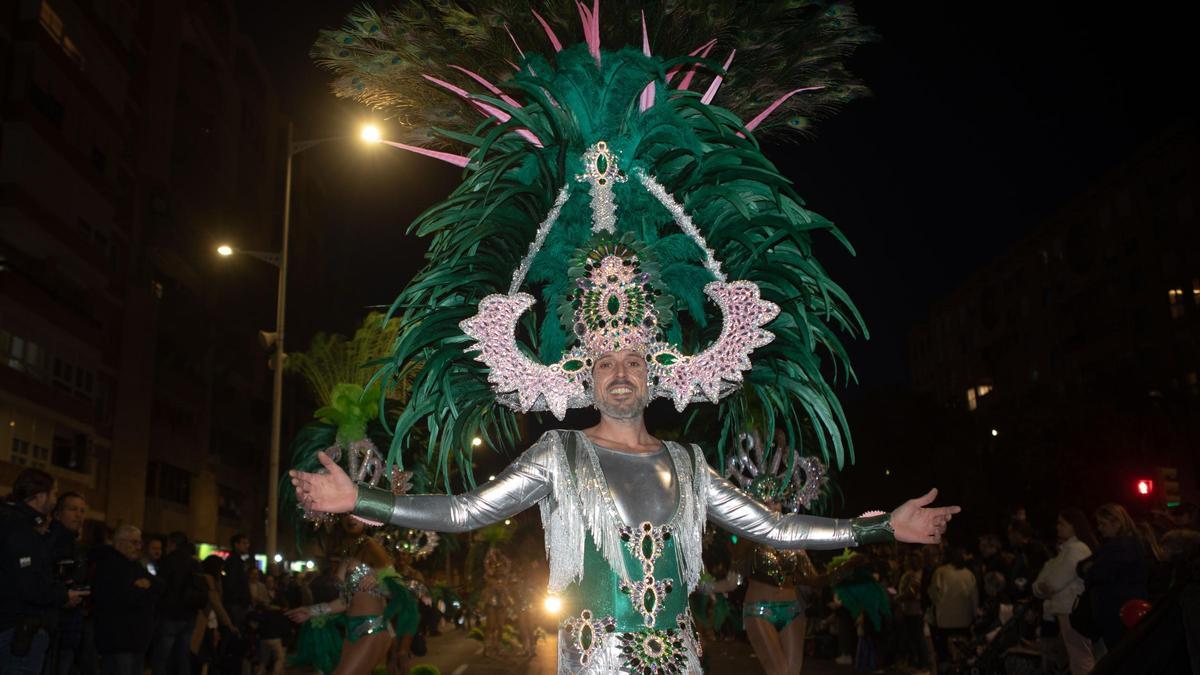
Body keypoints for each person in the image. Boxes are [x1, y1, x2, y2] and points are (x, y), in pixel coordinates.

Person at [294, 5, 960, 673]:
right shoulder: (559, 453)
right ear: (584, 371)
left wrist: (883, 526)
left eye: (633, 358)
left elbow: (777, 527)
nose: (619, 370)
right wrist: (365, 500)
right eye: (605, 358)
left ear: (658, 367)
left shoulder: (691, 466)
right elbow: (466, 510)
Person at [1, 469, 87, 675]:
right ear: (40, 497)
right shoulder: (21, 529)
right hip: (17, 627)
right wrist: (62, 594)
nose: (55, 500)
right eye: (54, 493)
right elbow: (31, 584)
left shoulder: (14, 522)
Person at [286, 526, 406, 674]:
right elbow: (345, 602)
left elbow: (399, 592)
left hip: (372, 629)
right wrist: (311, 611)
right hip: (351, 632)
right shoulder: (345, 560)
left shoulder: (372, 550)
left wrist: (380, 582)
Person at [1033, 508, 1097, 675]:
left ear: (1074, 525)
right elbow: (1040, 584)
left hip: (1072, 610)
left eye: (1062, 523)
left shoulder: (1076, 549)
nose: (1058, 527)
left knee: (1080, 658)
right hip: (1065, 610)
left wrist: (1045, 587)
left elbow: (1053, 583)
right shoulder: (1065, 551)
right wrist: (1043, 587)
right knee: (1075, 658)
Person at [92, 525, 161, 675]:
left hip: (137, 640)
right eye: (134, 542)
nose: (138, 547)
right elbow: (122, 596)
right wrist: (142, 588)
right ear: (119, 543)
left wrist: (145, 587)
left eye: (140, 543)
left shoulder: (135, 565)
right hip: (118, 640)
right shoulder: (109, 565)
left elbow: (158, 586)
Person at [1079, 503, 1148, 650]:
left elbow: (1098, 573)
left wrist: (1090, 570)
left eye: (1103, 524)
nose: (1099, 528)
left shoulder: (1123, 546)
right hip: (1118, 611)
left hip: (1120, 612)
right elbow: (1082, 566)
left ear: (1116, 522)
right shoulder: (1116, 546)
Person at [47, 491, 89, 675]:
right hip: (50, 627)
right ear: (57, 513)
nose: (79, 515)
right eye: (73, 509)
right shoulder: (48, 542)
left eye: (82, 510)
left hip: (71, 628)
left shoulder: (78, 547)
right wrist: (62, 596)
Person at [153, 531, 205, 675]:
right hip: (189, 615)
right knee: (183, 656)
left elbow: (160, 587)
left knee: (162, 657)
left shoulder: (168, 561)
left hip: (170, 614)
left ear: (172, 544)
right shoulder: (194, 563)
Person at [928, 546, 978, 664]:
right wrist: (974, 616)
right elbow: (974, 598)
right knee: (963, 655)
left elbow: (934, 596)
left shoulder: (940, 572)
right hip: (965, 620)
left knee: (946, 655)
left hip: (945, 621)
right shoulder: (968, 574)